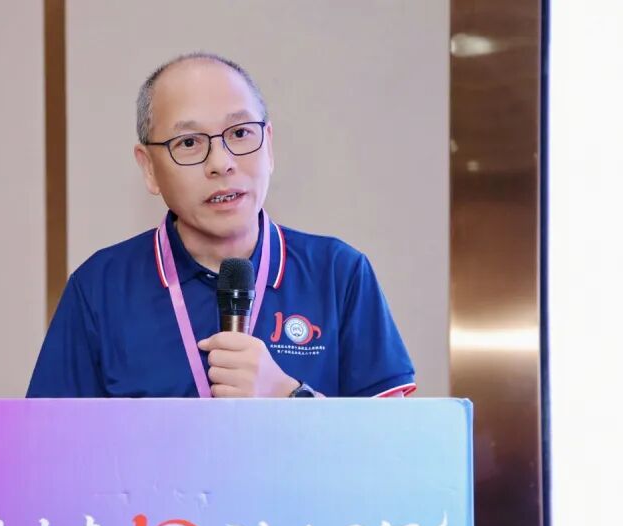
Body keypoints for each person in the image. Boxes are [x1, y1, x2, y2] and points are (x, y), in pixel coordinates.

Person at [27, 52, 415, 399]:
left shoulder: (339, 273)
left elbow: (393, 446)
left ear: (269, 146)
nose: (221, 163)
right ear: (149, 169)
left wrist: (290, 397)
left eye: (241, 133)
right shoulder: (99, 289)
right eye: (189, 143)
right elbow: (49, 444)